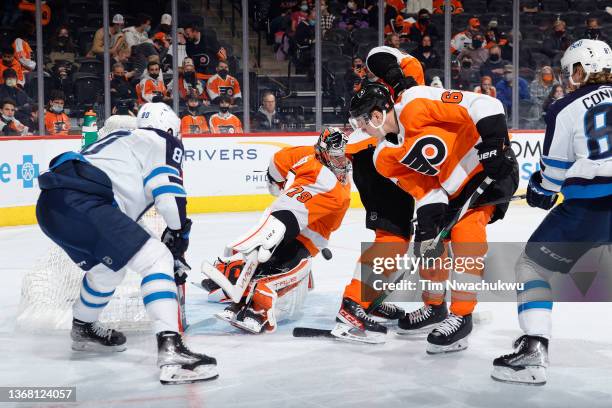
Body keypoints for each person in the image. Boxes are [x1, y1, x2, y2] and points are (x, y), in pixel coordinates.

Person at [35, 102, 218, 384]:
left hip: (51, 208)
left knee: (108, 271)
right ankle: (171, 350)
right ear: (171, 128)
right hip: (87, 204)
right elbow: (169, 199)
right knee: (157, 259)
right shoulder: (163, 140)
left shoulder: (116, 140)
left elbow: (120, 201)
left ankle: (83, 328)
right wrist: (179, 235)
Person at [347, 81, 518, 353]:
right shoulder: (383, 157)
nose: (360, 129)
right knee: (429, 247)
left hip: (489, 170)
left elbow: (485, 104)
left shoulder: (415, 101)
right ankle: (435, 307)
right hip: (452, 192)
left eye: (361, 122)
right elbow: (425, 190)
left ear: (377, 115)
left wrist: (494, 144)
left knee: (465, 232)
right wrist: (428, 224)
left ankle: (462, 316)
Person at [491, 39, 612, 386]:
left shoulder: (565, 107)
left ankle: (533, 349)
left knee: (531, 266)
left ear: (580, 70)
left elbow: (554, 175)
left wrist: (541, 190)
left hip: (589, 208)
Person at [201, 128, 352, 333]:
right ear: (323, 152)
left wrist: (277, 185)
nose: (341, 160)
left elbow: (277, 161)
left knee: (275, 263)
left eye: (342, 154)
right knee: (270, 262)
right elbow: (333, 224)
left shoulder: (310, 158)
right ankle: (238, 288)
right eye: (335, 155)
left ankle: (240, 288)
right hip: (295, 226)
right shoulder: (336, 188)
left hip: (299, 230)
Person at [328, 46, 424, 343]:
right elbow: (408, 63)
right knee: (392, 240)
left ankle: (369, 300)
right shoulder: (401, 88)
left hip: (370, 162)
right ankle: (354, 303)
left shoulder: (381, 87)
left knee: (393, 239)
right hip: (378, 161)